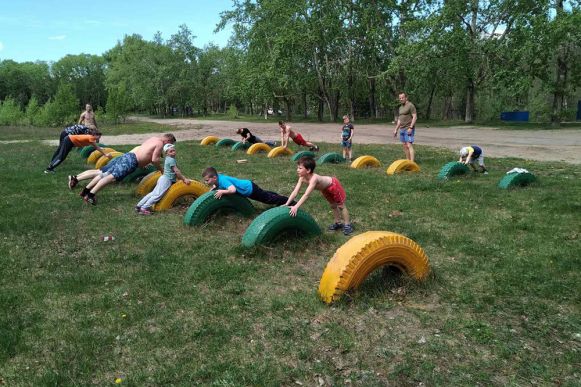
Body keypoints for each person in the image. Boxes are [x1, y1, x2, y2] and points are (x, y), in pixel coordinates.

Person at [77, 133, 176, 205]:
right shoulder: (160, 144)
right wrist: (161, 170)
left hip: (129, 155)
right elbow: (155, 160)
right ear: (167, 140)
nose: (166, 147)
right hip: (132, 161)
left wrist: (144, 162)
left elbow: (145, 151)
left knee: (106, 173)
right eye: (169, 144)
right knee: (110, 177)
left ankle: (85, 191)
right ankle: (90, 195)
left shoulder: (154, 138)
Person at [284, 157, 353, 236]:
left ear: (308, 170)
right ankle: (338, 223)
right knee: (333, 206)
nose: (297, 170)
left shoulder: (314, 179)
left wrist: (296, 206)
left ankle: (347, 225)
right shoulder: (301, 178)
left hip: (334, 185)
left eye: (300, 168)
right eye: (297, 168)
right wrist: (287, 203)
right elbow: (295, 191)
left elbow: (306, 194)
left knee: (341, 206)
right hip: (325, 189)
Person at [135, 144, 191, 215]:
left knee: (153, 193)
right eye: (171, 151)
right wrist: (184, 179)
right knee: (157, 195)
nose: (173, 152)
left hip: (163, 178)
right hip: (167, 180)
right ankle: (144, 208)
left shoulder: (168, 159)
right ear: (166, 153)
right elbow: (176, 171)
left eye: (174, 150)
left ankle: (139, 205)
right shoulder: (171, 160)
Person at [202, 167, 292, 206]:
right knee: (265, 194)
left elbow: (232, 190)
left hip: (250, 189)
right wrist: (213, 188)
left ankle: (289, 201)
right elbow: (217, 186)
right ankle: (276, 196)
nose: (206, 182)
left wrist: (222, 191)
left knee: (268, 199)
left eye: (207, 180)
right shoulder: (217, 180)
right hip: (248, 187)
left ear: (214, 177)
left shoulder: (222, 180)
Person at [45, 131, 111, 173]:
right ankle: (49, 168)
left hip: (69, 140)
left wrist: (101, 149)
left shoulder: (90, 137)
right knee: (61, 156)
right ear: (95, 135)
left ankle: (51, 167)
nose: (99, 138)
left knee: (62, 156)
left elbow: (95, 146)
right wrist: (105, 154)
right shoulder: (91, 138)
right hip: (69, 140)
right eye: (99, 136)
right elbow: (96, 147)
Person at [392, 92, 417, 162]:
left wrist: (411, 127)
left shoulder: (410, 105)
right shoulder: (400, 107)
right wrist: (396, 129)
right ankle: (407, 160)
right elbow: (400, 120)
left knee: (409, 145)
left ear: (406, 98)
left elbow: (415, 117)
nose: (401, 99)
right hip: (402, 129)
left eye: (402, 98)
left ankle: (412, 163)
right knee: (404, 145)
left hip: (408, 129)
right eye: (400, 98)